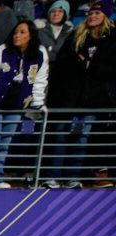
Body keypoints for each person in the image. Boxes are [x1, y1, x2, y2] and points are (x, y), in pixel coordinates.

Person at [43, 2, 114, 188]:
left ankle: (72, 177)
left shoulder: (112, 39)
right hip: (68, 99)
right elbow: (61, 64)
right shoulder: (76, 36)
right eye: (91, 13)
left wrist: (90, 66)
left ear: (106, 16)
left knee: (80, 137)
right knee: (61, 135)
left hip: (91, 100)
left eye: (98, 13)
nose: (93, 16)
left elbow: (111, 69)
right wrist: (80, 64)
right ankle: (53, 176)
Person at [0, 21, 48, 188]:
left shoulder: (40, 54)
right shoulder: (2, 51)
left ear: (31, 35)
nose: (17, 35)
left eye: (22, 32)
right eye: (15, 32)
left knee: (5, 142)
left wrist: (38, 102)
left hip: (17, 105)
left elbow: (40, 80)